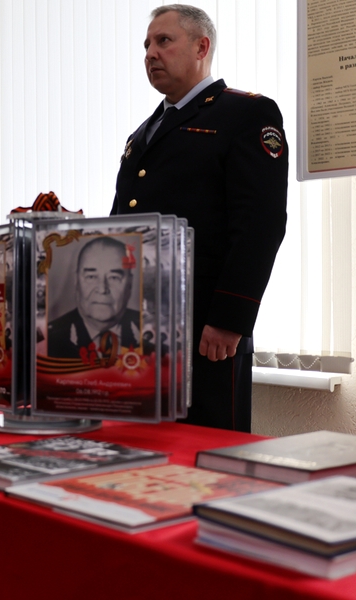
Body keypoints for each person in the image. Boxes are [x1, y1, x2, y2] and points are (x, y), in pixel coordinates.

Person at [112, 4, 288, 432]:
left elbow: (260, 223)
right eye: (147, 45)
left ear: (201, 46)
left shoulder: (246, 114)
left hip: (205, 329)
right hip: (139, 328)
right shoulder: (142, 135)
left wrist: (229, 319)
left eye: (163, 41)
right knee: (142, 449)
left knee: (205, 452)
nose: (151, 53)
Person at [47, 237, 141, 361]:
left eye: (114, 277)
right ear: (76, 281)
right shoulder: (50, 340)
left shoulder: (151, 335)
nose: (102, 289)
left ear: (130, 284)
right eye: (91, 277)